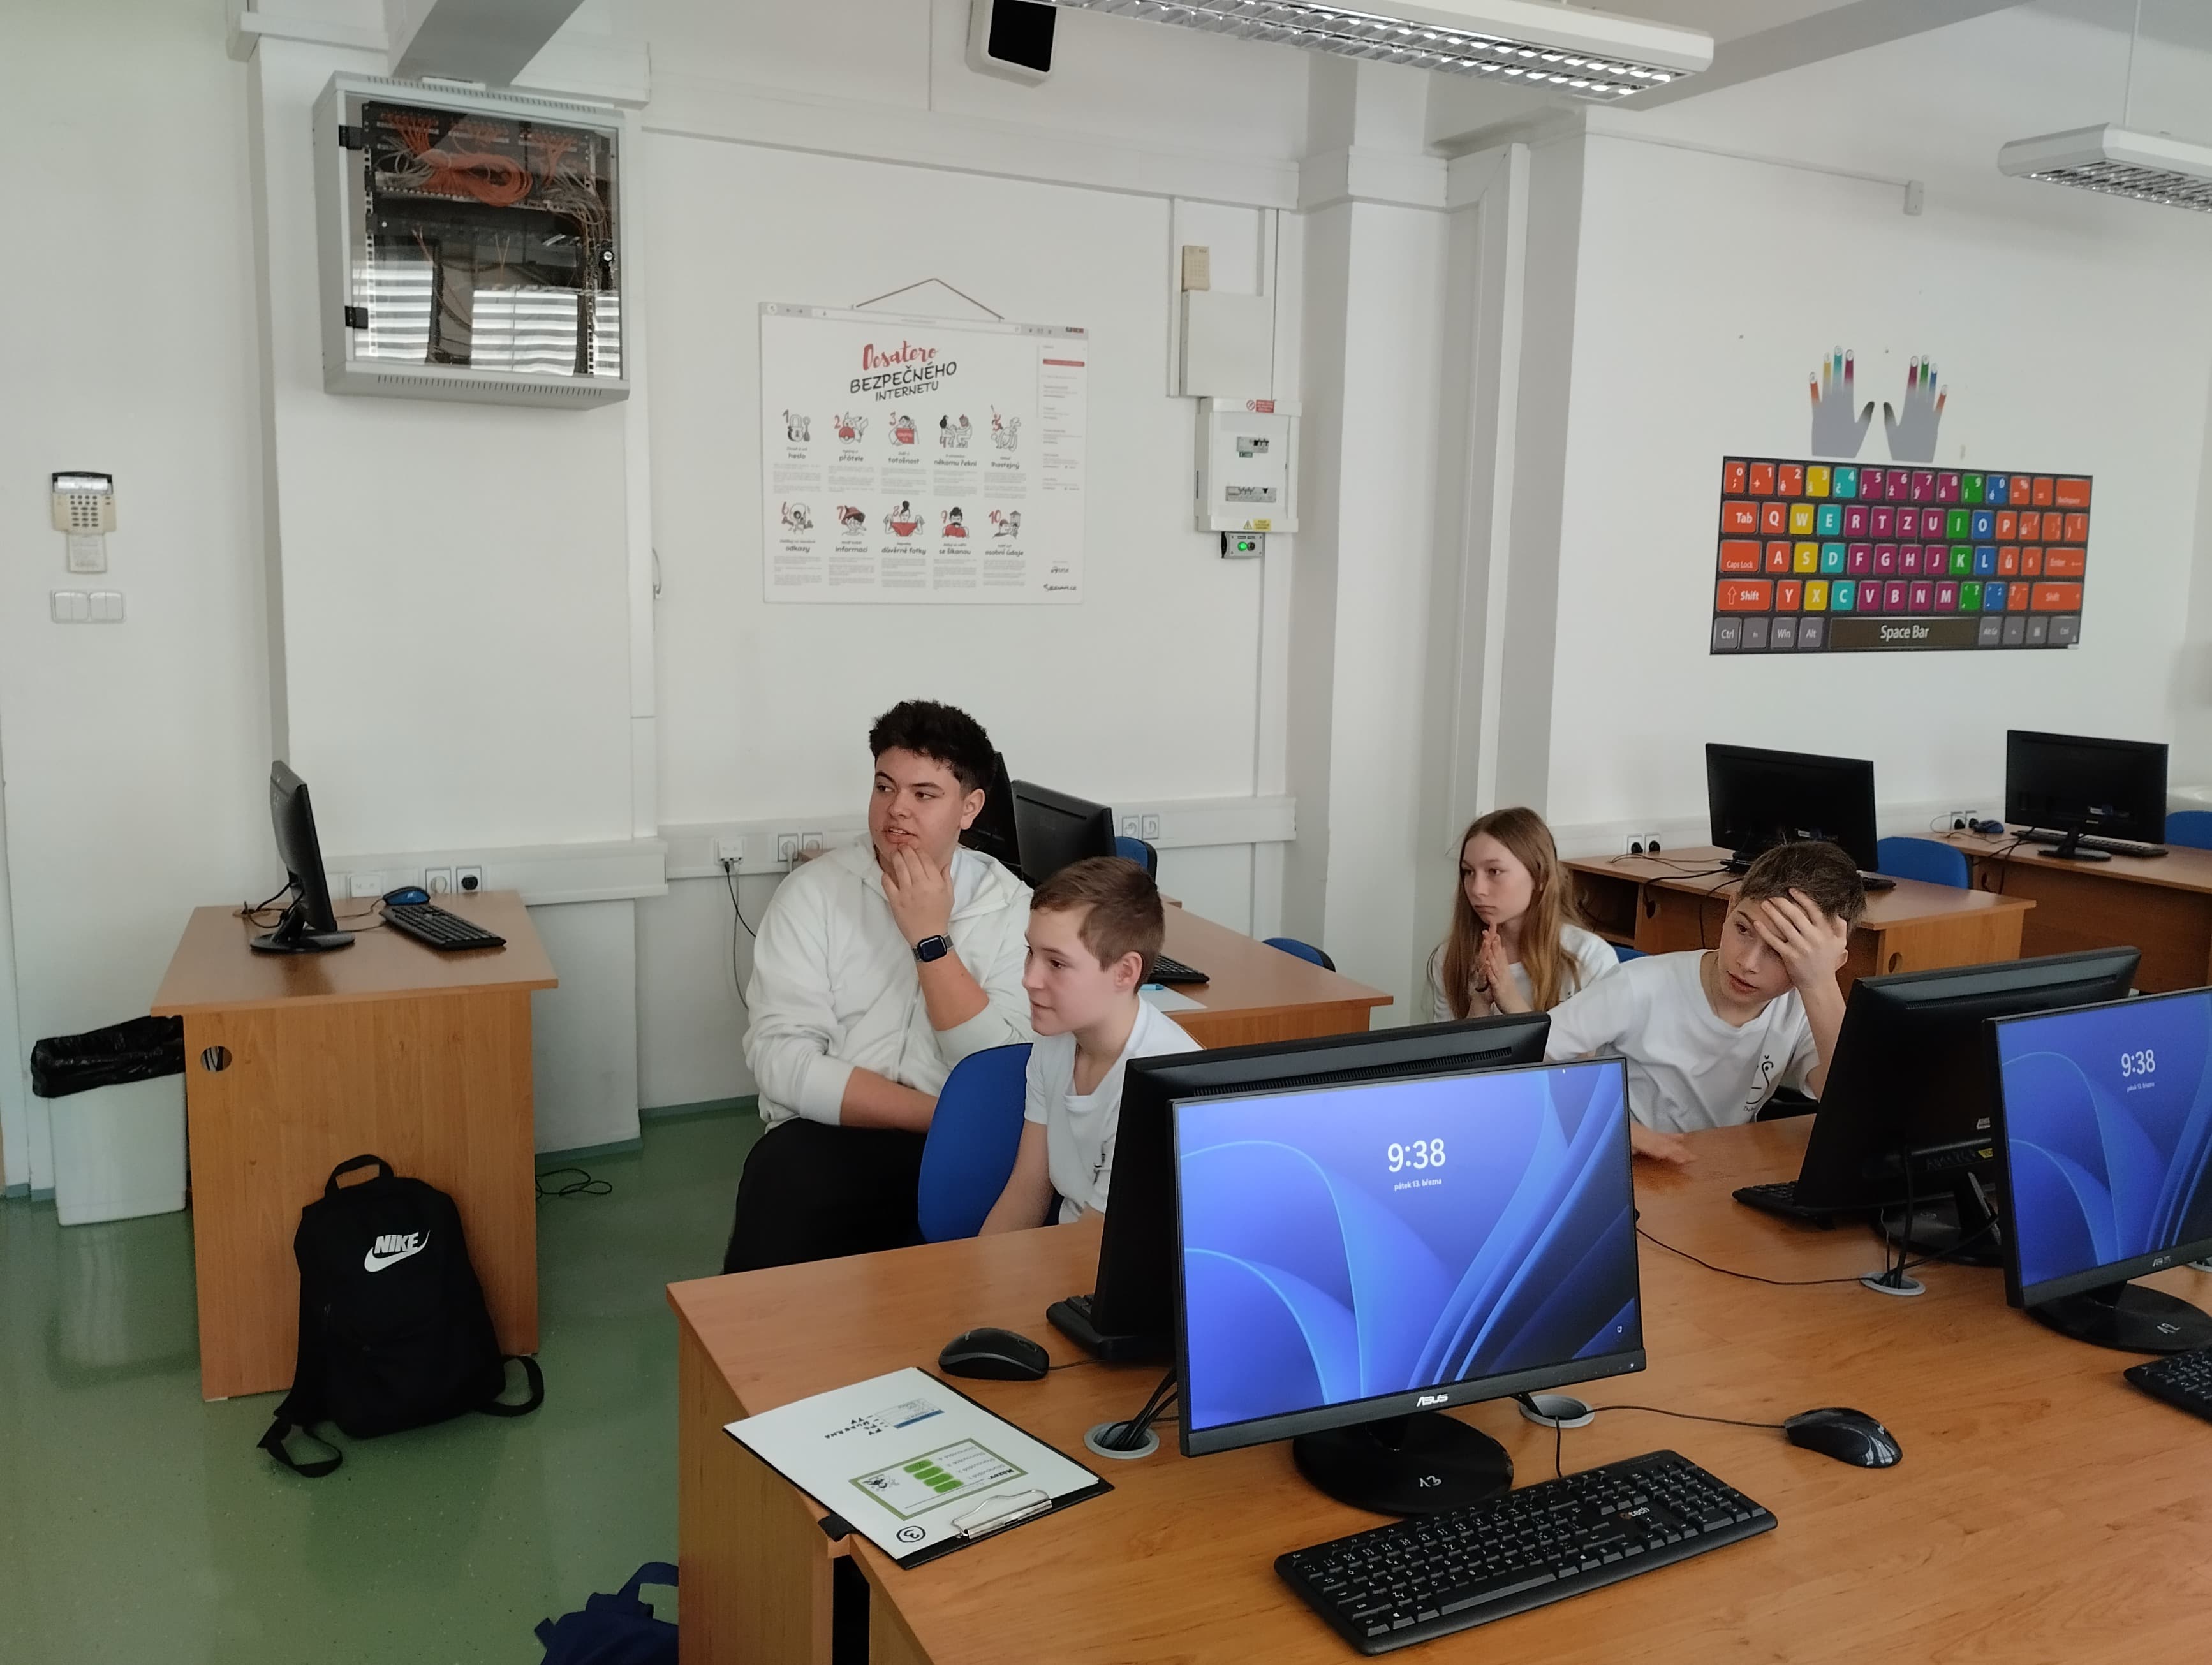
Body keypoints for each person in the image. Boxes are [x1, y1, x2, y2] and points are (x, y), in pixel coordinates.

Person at [723, 700, 1033, 1271]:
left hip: (963, 1145)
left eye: (924, 794)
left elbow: (999, 1068)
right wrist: (937, 1114)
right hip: (833, 1128)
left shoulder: (1012, 909)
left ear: (970, 808)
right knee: (783, 1178)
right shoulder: (814, 893)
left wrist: (930, 941)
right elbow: (781, 1059)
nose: (897, 809)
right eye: (884, 786)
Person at [1543, 840, 1865, 1163]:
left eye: (1781, 951)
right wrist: (1611, 1127)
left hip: (1715, 1171)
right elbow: (1526, 1061)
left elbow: (1854, 1113)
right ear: (1730, 907)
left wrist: (1820, 984)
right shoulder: (1638, 986)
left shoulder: (1806, 1005)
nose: (1748, 962)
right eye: (1743, 929)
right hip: (1629, 1166)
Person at [980, 857, 1200, 1233]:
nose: (1030, 979)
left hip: (1110, 1261)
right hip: (1069, 1253)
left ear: (1125, 973)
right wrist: (983, 1267)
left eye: (1057, 964)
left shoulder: (1157, 1086)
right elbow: (1027, 1189)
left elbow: (1097, 1244)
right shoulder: (1055, 1042)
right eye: (1031, 952)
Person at [1427, 807, 1618, 1021]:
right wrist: (1480, 1002)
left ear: (1540, 877)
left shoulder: (1589, 958)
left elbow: (1591, 1045)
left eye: (1494, 871)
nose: (1477, 889)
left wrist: (1511, 1002)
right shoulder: (1449, 958)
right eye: (1468, 872)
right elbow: (1451, 1044)